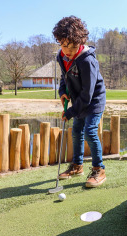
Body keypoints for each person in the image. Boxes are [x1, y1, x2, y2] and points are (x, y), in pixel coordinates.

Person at [52, 16, 106, 188]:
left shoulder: (87, 60)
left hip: (93, 100)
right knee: (76, 132)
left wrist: (70, 112)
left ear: (80, 42)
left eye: (72, 45)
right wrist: (62, 92)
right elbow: (64, 77)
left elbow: (87, 94)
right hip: (78, 100)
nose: (67, 50)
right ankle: (77, 166)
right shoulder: (62, 56)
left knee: (89, 132)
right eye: (63, 44)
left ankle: (99, 169)